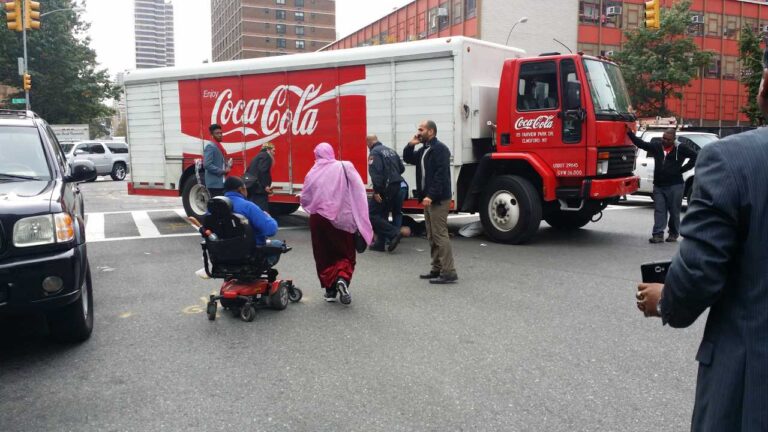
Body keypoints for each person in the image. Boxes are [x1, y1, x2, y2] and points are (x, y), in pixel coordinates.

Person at [635, 69, 768, 430]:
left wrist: (665, 299)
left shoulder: (732, 161)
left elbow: (698, 274)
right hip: (664, 189)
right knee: (661, 218)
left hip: (750, 388)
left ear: (766, 82)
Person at [300, 143, 372, 305]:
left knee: (323, 255)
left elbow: (304, 198)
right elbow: (359, 190)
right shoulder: (344, 166)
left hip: (318, 219)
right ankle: (342, 278)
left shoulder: (312, 172)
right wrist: (360, 215)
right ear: (332, 153)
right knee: (345, 253)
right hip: (342, 218)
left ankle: (330, 291)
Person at [403, 120, 457, 284]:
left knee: (440, 235)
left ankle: (449, 272)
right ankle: (436, 268)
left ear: (431, 132)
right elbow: (407, 158)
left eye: (421, 129)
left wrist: (431, 195)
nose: (418, 132)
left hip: (438, 199)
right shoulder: (424, 150)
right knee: (432, 235)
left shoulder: (440, 149)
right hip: (428, 199)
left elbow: (441, 175)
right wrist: (410, 145)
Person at [627, 127, 697, 243]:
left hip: (675, 185)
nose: (664, 141)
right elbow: (641, 144)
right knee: (659, 210)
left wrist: (682, 169)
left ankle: (673, 233)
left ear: (674, 140)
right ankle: (658, 234)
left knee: (674, 211)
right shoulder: (657, 146)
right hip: (659, 185)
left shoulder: (681, 148)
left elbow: (695, 156)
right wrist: (630, 133)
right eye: (663, 138)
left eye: (668, 139)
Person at [221, 176, 283, 265]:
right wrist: (269, 217)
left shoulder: (213, 206)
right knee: (278, 244)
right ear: (241, 189)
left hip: (223, 253)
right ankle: (260, 267)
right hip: (249, 253)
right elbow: (271, 230)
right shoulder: (248, 206)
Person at [367, 135, 405, 252]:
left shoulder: (374, 153)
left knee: (371, 215)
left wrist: (377, 191)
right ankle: (380, 244)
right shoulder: (391, 150)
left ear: (369, 142)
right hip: (396, 186)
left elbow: (376, 174)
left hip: (385, 188)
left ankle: (394, 233)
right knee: (382, 214)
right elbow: (402, 168)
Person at [246, 142, 275, 212]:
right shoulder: (266, 156)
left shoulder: (258, 156)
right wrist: (266, 186)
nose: (274, 153)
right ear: (268, 150)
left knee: (253, 210)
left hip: (253, 187)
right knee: (262, 211)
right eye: (273, 151)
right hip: (259, 189)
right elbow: (263, 171)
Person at [204, 124, 230, 197]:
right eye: (217, 133)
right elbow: (207, 164)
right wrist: (222, 171)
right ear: (212, 135)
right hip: (214, 185)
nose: (220, 135)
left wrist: (228, 165)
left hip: (220, 183)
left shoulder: (218, 146)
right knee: (216, 206)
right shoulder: (210, 146)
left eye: (221, 133)